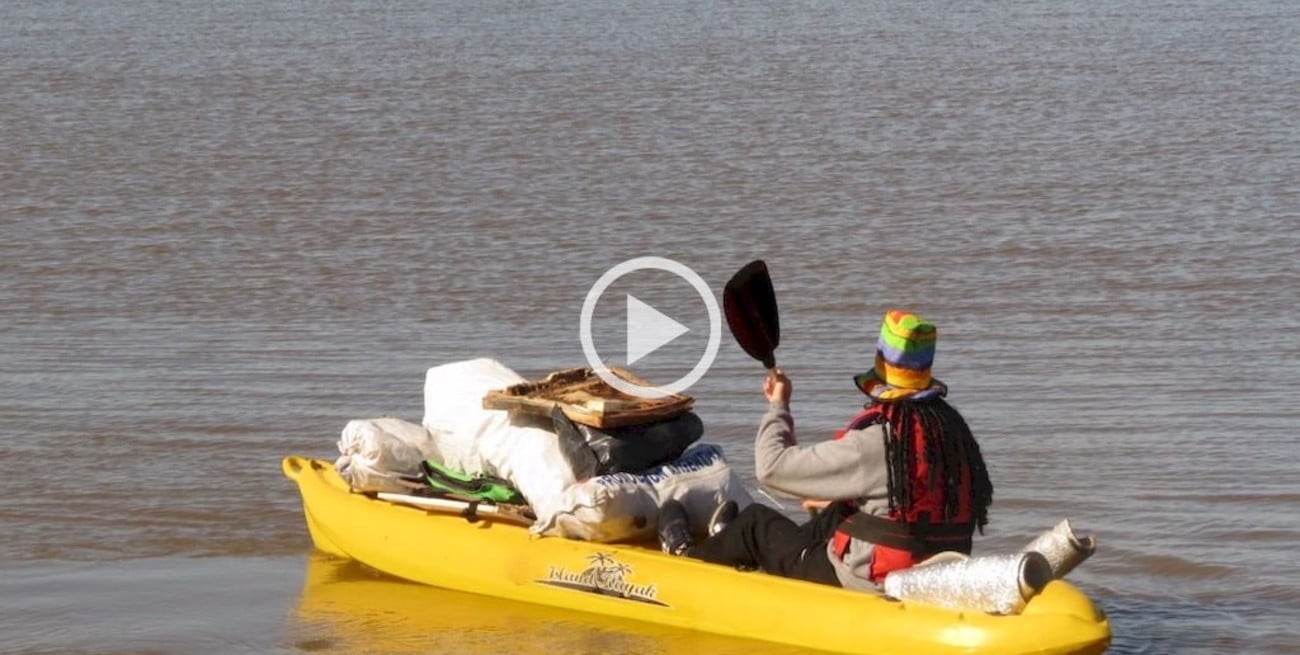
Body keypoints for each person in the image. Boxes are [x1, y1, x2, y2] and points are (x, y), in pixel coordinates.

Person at [657, 310, 994, 592]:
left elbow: (771, 468)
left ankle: (688, 559)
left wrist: (779, 406)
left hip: (870, 582)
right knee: (837, 509)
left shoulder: (877, 442)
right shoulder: (953, 432)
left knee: (754, 523)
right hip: (940, 576)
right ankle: (728, 540)